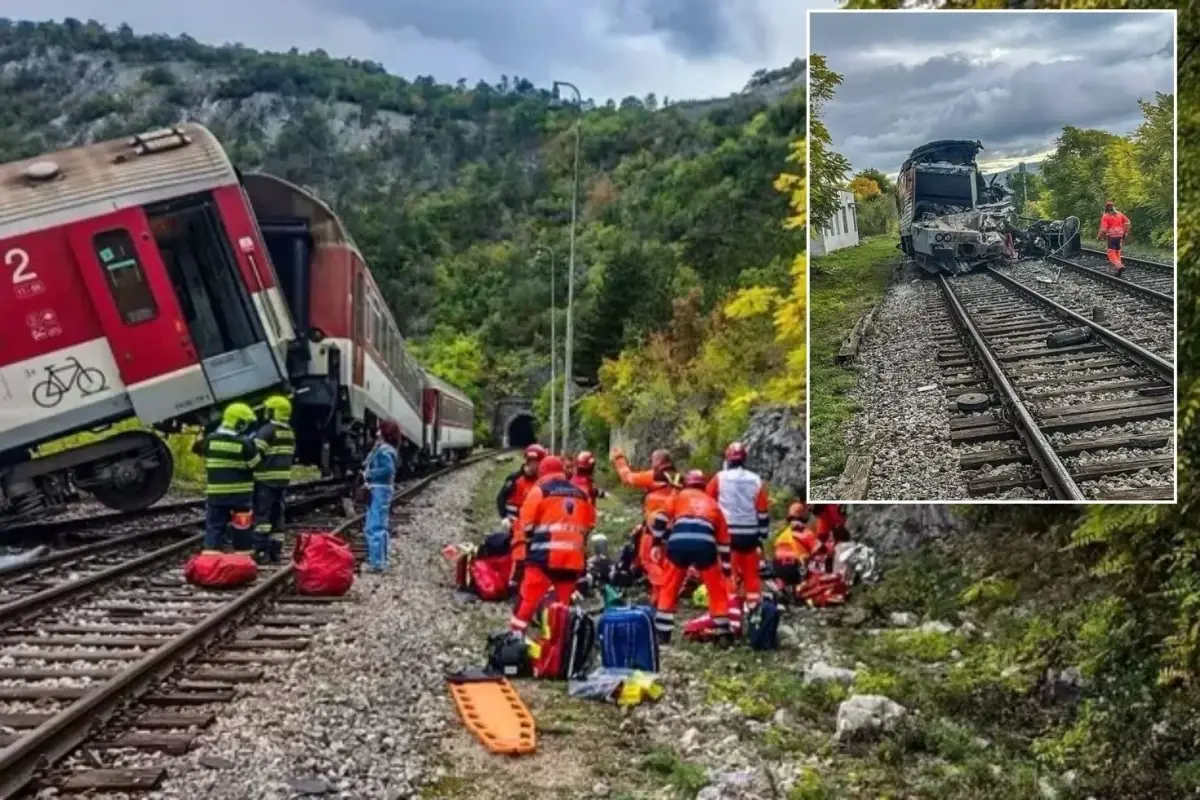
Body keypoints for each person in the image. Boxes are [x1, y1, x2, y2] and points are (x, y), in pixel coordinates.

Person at [508, 456, 594, 637]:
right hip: (573, 561)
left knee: (527, 600)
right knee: (561, 608)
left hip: (544, 557)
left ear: (542, 472)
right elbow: (589, 525)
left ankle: (515, 638)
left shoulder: (540, 491)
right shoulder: (581, 494)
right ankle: (558, 645)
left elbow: (525, 525)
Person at [651, 469, 732, 645]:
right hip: (705, 545)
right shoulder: (713, 504)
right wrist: (726, 567)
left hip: (678, 543)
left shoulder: (679, 496)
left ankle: (662, 633)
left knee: (670, 586)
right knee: (716, 588)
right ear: (704, 486)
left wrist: (656, 543)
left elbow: (660, 518)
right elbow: (724, 541)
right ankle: (723, 632)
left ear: (687, 483)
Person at [610, 447, 682, 605]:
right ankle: (659, 598)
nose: (651, 463)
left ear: (658, 462)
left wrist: (619, 459)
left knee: (648, 561)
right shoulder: (678, 478)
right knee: (663, 562)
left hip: (654, 527)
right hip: (673, 528)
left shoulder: (654, 475)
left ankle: (663, 588)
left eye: (653, 460)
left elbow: (628, 478)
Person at [706, 442, 770, 611]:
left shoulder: (719, 478)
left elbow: (708, 502)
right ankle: (754, 608)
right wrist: (763, 534)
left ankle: (732, 607)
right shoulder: (755, 480)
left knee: (730, 572)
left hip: (728, 534)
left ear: (728, 459)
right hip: (750, 534)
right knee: (751, 574)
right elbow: (762, 511)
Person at [198, 402, 261, 554]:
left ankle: (210, 557)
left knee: (214, 526)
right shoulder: (245, 442)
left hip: (216, 494)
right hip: (240, 496)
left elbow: (207, 458)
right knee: (242, 527)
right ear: (239, 423)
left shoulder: (210, 439)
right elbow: (255, 464)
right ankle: (243, 557)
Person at [250, 395, 295, 564]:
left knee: (262, 516)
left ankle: (261, 551)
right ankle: (276, 550)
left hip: (265, 480)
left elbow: (255, 454)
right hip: (282, 480)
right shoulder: (289, 432)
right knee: (278, 515)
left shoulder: (267, 430)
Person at [363, 419, 401, 572]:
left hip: (379, 489)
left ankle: (377, 563)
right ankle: (381, 560)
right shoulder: (386, 448)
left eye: (380, 430)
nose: (377, 433)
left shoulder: (384, 450)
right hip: (382, 489)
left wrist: (369, 474)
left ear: (385, 432)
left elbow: (387, 470)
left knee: (374, 526)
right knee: (380, 526)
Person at [496, 445, 548, 529]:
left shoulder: (541, 481)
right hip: (514, 525)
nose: (540, 465)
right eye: (539, 462)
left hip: (533, 527)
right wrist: (504, 517)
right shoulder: (514, 478)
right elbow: (501, 497)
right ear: (529, 461)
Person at [1097, 201, 1132, 273]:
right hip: (1120, 235)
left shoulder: (1105, 216)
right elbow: (1127, 222)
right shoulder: (1119, 214)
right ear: (1113, 207)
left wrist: (1099, 236)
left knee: (1111, 253)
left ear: (1106, 208)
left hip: (1112, 236)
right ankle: (1119, 267)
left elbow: (1103, 229)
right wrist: (1125, 232)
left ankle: (1118, 265)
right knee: (1117, 251)